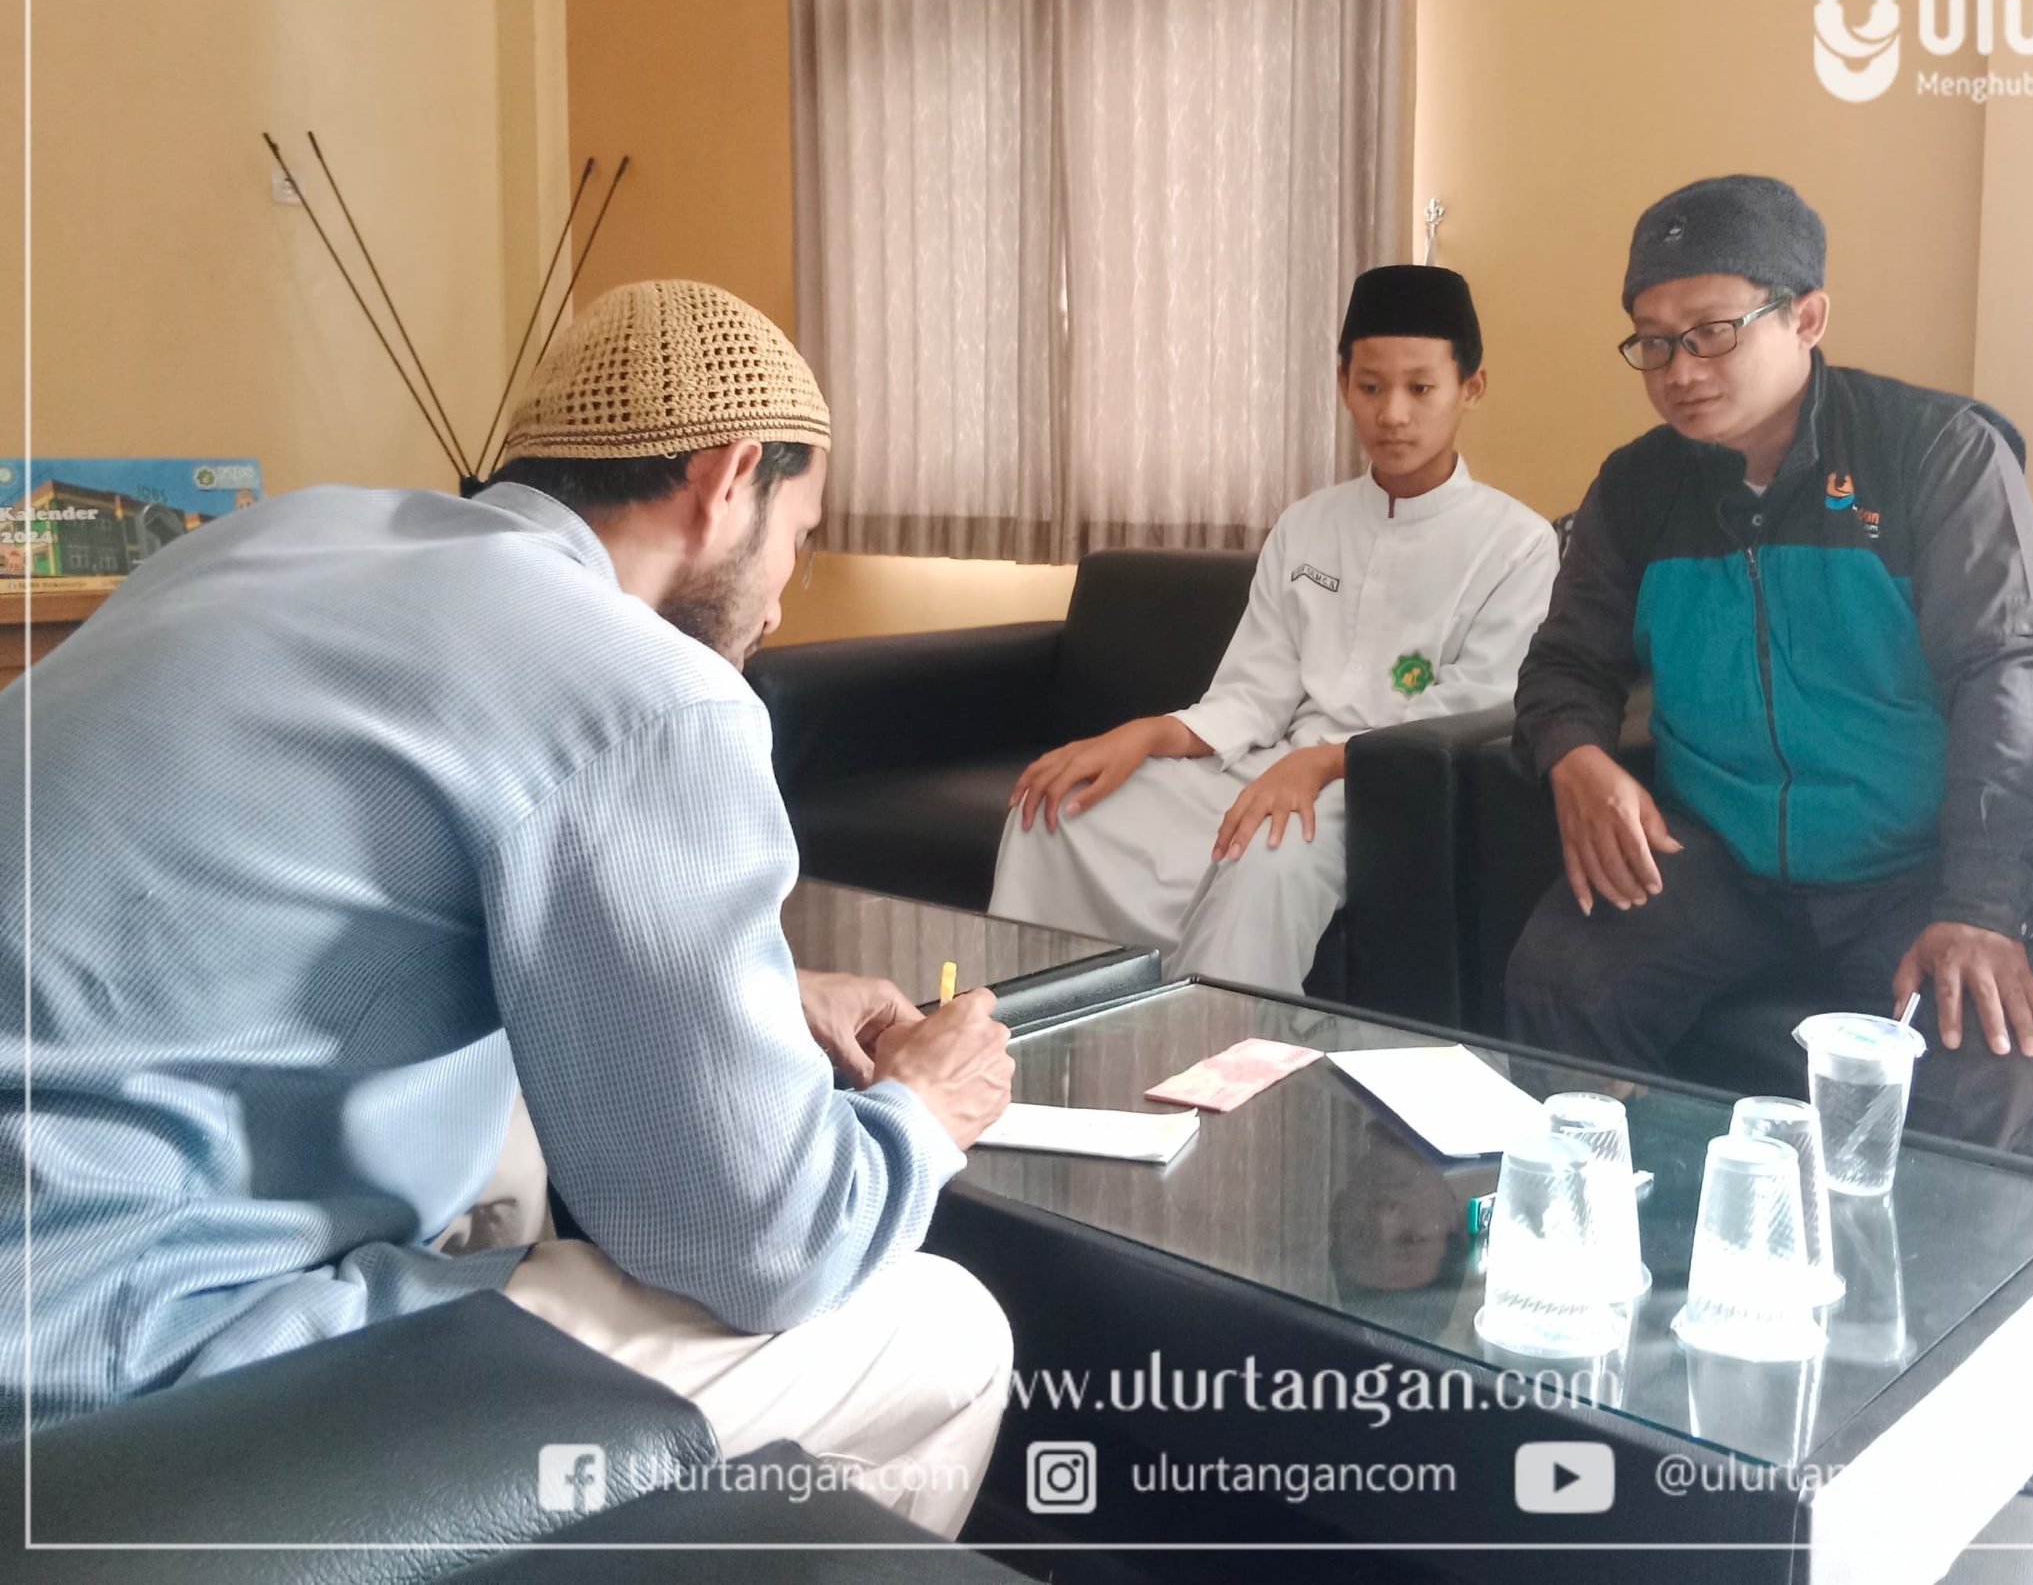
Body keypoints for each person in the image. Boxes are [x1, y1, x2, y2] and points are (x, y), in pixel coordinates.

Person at [2, 280, 1015, 1537]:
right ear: (728, 476)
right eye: (798, 535)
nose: (782, 595)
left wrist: (759, 995)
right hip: (104, 1367)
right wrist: (919, 1111)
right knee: (938, 1330)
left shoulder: (274, 536)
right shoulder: (648, 688)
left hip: (51, 1218)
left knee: (519, 1139)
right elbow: (771, 1248)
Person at [1505, 177, 2033, 1149]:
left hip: (1910, 865)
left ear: (1806, 317)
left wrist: (1982, 905)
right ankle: (1614, 1216)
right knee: (1563, 980)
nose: (1679, 371)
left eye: (1711, 332)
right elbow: (1565, 665)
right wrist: (1575, 756)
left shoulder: (1937, 453)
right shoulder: (1636, 487)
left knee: (1976, 1054)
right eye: (1652, 342)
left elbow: (2006, 679)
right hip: (1720, 859)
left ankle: (1880, 1255)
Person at [989, 264, 1560, 994]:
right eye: (1371, 386)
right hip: (1271, 765)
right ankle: (1040, 1025)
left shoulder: (1516, 544)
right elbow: (1255, 691)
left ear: (1470, 387)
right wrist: (1146, 734)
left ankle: (1208, 1049)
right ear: (1343, 384)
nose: (1392, 414)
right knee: (1057, 808)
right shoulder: (1307, 524)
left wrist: (1323, 763)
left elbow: (1471, 712)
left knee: (1266, 853)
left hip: (1385, 792)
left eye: (1421, 388)